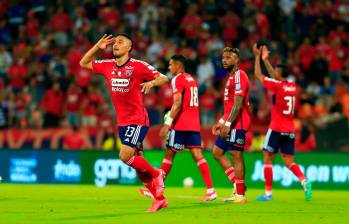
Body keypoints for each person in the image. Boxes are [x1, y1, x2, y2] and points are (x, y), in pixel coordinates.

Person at [80, 34, 169, 212]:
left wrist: (151, 82)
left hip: (137, 120)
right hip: (122, 122)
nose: (116, 45)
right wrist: (98, 46)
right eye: (115, 42)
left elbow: (164, 78)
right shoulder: (107, 66)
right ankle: (159, 199)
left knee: (124, 156)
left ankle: (157, 173)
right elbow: (83, 62)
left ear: (129, 48)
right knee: (137, 164)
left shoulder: (138, 66)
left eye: (121, 42)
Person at [139, 55, 217, 201]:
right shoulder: (191, 79)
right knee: (198, 156)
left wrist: (168, 123)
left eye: (170, 65)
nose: (169, 68)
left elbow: (177, 103)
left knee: (169, 154)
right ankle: (211, 190)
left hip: (181, 123)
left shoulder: (178, 79)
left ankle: (156, 189)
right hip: (194, 123)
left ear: (178, 65)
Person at [252, 43, 312, 201]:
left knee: (267, 158)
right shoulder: (293, 86)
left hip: (276, 128)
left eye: (276, 71)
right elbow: (273, 74)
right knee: (289, 161)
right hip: (290, 130)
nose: (273, 73)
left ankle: (268, 193)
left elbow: (258, 74)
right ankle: (304, 181)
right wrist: (267, 60)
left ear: (279, 74)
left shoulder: (277, 86)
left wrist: (258, 56)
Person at [212, 47, 250, 203]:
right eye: (223, 57)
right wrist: (221, 122)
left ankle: (240, 195)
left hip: (238, 123)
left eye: (228, 57)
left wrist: (227, 123)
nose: (224, 60)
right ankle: (237, 186)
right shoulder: (231, 78)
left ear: (237, 60)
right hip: (229, 122)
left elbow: (238, 104)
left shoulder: (240, 75)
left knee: (236, 156)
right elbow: (229, 106)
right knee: (217, 152)